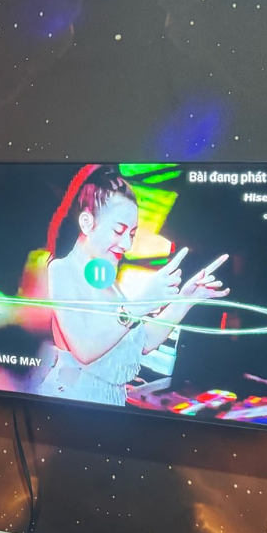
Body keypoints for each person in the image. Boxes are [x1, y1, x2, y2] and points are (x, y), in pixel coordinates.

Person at [33, 165, 229, 406]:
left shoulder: (108, 282)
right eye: (119, 231)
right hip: (70, 404)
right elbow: (84, 349)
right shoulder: (62, 269)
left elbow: (142, 342)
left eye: (132, 234)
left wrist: (185, 299)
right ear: (86, 222)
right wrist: (139, 304)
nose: (126, 244)